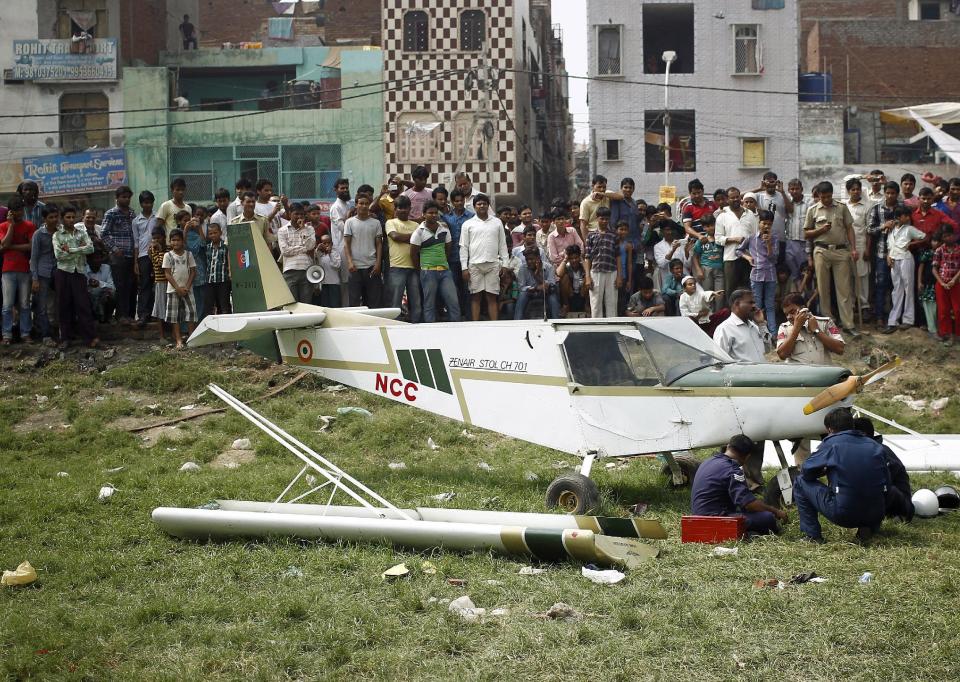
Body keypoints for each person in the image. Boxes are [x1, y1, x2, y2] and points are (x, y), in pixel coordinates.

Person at [793, 408, 891, 544]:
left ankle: (812, 536)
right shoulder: (875, 446)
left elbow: (806, 471)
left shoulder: (832, 444)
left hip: (845, 514)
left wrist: (824, 471)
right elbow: (888, 484)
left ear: (829, 430)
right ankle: (866, 530)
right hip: (877, 514)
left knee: (799, 481)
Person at [690, 434, 787, 536]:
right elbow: (749, 504)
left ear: (728, 446)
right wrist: (776, 511)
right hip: (715, 520)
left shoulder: (708, 461)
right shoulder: (732, 469)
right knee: (768, 518)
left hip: (698, 516)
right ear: (747, 456)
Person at [803, 181, 859, 336]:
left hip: (841, 252)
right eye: (823, 197)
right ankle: (829, 324)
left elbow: (849, 229)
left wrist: (853, 249)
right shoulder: (813, 210)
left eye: (829, 196)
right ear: (818, 196)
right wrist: (820, 230)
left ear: (832, 194)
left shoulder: (841, 207)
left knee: (844, 290)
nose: (826, 199)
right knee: (823, 289)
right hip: (821, 251)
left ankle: (848, 324)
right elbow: (806, 234)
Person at [52, 203, 97, 348]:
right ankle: (65, 338)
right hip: (63, 272)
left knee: (83, 305)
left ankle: (89, 338)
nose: (71, 220)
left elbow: (90, 248)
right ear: (62, 219)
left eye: (73, 217)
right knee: (64, 305)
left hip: (79, 272)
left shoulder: (81, 232)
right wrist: (79, 250)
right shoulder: (57, 235)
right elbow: (59, 255)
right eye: (68, 217)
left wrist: (71, 250)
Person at [853, 416, 914, 523]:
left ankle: (896, 517)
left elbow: (882, 482)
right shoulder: (864, 452)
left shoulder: (882, 452)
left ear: (862, 436)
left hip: (901, 505)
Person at [409, 200, 459, 323]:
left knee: (453, 303)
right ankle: (430, 331)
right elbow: (413, 254)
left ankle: (458, 331)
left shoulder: (444, 229)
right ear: (424, 214)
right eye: (430, 213)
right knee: (429, 304)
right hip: (427, 272)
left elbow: (448, 249)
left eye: (435, 213)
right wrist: (421, 270)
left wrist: (443, 263)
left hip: (445, 272)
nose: (433, 215)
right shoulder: (418, 232)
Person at [460, 194, 509, 321]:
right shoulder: (468, 224)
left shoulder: (497, 222)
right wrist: (464, 268)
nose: (482, 206)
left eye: (484, 203)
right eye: (479, 204)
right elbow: (464, 247)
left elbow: (502, 244)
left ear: (488, 205)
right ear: (474, 206)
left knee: (492, 297)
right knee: (476, 297)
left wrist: (505, 264)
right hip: (474, 265)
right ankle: (476, 327)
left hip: (493, 264)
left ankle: (495, 326)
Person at [881, 206, 927, 333]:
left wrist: (911, 244)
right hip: (894, 260)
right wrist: (888, 257)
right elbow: (890, 245)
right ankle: (893, 321)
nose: (906, 218)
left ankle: (908, 320)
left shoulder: (909, 229)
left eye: (907, 216)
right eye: (903, 216)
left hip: (906, 259)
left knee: (908, 288)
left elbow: (924, 237)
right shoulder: (890, 230)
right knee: (897, 290)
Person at [738, 209, 779, 335]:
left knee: (770, 305)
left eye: (769, 224)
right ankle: (759, 331)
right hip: (756, 275)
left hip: (770, 275)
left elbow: (774, 259)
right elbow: (738, 250)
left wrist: (768, 244)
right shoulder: (751, 238)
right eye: (764, 223)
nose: (766, 226)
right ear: (759, 222)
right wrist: (748, 257)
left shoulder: (774, 238)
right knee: (757, 304)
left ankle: (773, 333)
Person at [0, 197, 36, 345]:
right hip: (7, 270)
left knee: (24, 304)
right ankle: (7, 335)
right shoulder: (3, 226)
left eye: (20, 210)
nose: (19, 214)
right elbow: (4, 243)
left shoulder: (29, 225)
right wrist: (11, 226)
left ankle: (25, 333)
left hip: (24, 269)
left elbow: (30, 246)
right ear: (10, 213)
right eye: (15, 211)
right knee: (7, 305)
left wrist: (11, 247)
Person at [866, 181, 902, 325]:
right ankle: (880, 316)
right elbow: (869, 229)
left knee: (897, 286)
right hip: (881, 253)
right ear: (884, 193)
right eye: (888, 193)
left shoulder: (902, 209)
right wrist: (883, 226)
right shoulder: (877, 208)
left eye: (893, 193)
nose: (890, 195)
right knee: (880, 284)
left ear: (897, 194)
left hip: (899, 254)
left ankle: (895, 318)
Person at [99, 185, 136, 323]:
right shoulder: (111, 213)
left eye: (128, 197)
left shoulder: (132, 213)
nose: (126, 199)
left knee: (130, 286)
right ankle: (120, 315)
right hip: (117, 256)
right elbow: (104, 233)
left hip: (131, 255)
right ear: (117, 198)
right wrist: (114, 248)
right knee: (119, 285)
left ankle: (129, 315)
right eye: (123, 197)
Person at [776, 293, 845, 365]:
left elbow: (840, 349)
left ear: (803, 308)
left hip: (823, 373)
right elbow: (782, 355)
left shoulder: (825, 323)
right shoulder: (784, 328)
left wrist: (816, 331)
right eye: (786, 314)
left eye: (792, 312)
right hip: (799, 374)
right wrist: (796, 329)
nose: (789, 317)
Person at [385, 195, 422, 322]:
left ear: (410, 208)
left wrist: (406, 238)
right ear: (395, 209)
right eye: (400, 207)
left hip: (414, 267)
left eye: (406, 207)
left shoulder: (415, 224)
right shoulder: (390, 222)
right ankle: (395, 327)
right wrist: (413, 238)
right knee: (395, 303)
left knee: (416, 302)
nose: (403, 210)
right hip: (397, 267)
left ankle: (416, 326)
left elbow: (420, 242)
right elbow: (395, 237)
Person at [343, 195, 383, 308]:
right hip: (355, 267)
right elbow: (346, 244)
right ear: (356, 205)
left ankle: (373, 325)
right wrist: (350, 262)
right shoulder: (349, 222)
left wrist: (378, 263)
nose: (364, 206)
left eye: (366, 203)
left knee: (373, 300)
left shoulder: (376, 223)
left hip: (372, 266)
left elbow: (379, 244)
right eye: (361, 203)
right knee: (354, 300)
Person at [162, 228, 197, 350]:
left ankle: (191, 338)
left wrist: (187, 286)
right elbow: (167, 273)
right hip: (173, 290)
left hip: (187, 289)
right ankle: (178, 340)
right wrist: (177, 288)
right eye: (173, 240)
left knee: (191, 313)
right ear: (170, 241)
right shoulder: (168, 255)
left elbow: (193, 272)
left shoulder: (188, 254)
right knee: (174, 316)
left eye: (178, 240)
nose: (175, 243)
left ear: (183, 241)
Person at [714, 288, 769, 363]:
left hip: (761, 372)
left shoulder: (755, 326)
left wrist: (761, 324)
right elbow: (719, 361)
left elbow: (768, 349)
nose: (754, 306)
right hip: (741, 374)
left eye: (754, 303)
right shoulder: (724, 328)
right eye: (750, 303)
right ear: (737, 304)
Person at [442, 189, 474, 316]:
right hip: (452, 257)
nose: (459, 203)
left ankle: (469, 315)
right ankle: (456, 316)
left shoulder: (471, 216)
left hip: (468, 258)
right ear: (452, 202)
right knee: (454, 289)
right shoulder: (446, 218)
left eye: (461, 200)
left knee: (468, 289)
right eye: (457, 201)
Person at [30, 204, 59, 343]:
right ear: (44, 219)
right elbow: (34, 258)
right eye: (50, 217)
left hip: (59, 271)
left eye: (56, 217)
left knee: (59, 302)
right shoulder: (38, 234)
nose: (54, 220)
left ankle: (60, 332)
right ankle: (45, 334)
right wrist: (35, 279)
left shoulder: (61, 232)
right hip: (43, 273)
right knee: (41, 305)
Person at [277, 203, 316, 304]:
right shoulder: (282, 231)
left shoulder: (309, 229)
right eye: (296, 214)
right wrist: (303, 249)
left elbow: (310, 246)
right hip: (290, 270)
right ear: (290, 214)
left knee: (306, 304)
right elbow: (285, 251)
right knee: (291, 304)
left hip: (306, 270)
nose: (299, 217)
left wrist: (303, 230)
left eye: (302, 215)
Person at [583, 206, 618, 318]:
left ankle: (612, 327)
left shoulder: (614, 235)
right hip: (596, 272)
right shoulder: (591, 235)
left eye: (607, 219)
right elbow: (587, 257)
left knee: (611, 302)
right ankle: (597, 327)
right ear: (597, 218)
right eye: (602, 218)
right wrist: (587, 276)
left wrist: (619, 276)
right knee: (596, 302)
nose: (604, 221)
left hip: (611, 271)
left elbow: (618, 256)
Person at [715, 188, 752, 293]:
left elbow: (755, 235)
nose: (736, 199)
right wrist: (734, 239)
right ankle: (732, 309)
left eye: (737, 197)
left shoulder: (749, 214)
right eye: (732, 197)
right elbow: (718, 239)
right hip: (730, 257)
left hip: (748, 257)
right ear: (727, 199)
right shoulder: (722, 216)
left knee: (747, 288)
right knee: (731, 289)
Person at [845, 178, 872, 320]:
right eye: (853, 189)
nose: (856, 191)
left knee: (862, 276)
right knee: (848, 277)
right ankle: (851, 306)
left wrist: (868, 249)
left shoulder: (866, 206)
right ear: (848, 191)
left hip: (861, 245)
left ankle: (864, 305)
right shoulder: (844, 206)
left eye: (857, 189)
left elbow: (868, 230)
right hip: (846, 246)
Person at [132, 191, 159, 327]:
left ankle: (155, 313)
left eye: (149, 202)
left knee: (157, 283)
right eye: (145, 202)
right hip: (143, 255)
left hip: (157, 253)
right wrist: (135, 261)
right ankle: (143, 314)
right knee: (144, 284)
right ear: (141, 204)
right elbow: (136, 242)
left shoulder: (157, 217)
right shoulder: (136, 221)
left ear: (153, 202)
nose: (147, 205)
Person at [514, 247, 560, 320]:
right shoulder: (523, 268)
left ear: (538, 258)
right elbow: (521, 287)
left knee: (553, 298)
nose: (529, 262)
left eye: (531, 259)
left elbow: (550, 285)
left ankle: (556, 320)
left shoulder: (549, 267)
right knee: (522, 295)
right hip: (530, 293)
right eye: (527, 259)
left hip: (546, 293)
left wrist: (537, 275)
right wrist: (535, 288)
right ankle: (517, 321)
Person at [933, 224, 960, 344]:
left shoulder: (959, 250)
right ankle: (946, 334)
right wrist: (941, 282)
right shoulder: (939, 250)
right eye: (945, 236)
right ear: (942, 238)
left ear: (954, 235)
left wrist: (954, 279)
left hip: (956, 284)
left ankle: (957, 334)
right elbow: (934, 269)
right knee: (943, 311)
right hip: (941, 284)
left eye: (949, 235)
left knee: (957, 310)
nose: (947, 238)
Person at [692, 213, 724, 311]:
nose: (710, 228)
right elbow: (695, 256)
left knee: (720, 295)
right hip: (706, 269)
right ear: (704, 228)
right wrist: (698, 270)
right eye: (707, 226)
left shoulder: (721, 239)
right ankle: (710, 318)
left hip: (720, 270)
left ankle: (719, 316)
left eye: (712, 225)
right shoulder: (702, 240)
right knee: (708, 295)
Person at [916, 231, 940, 338]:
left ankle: (936, 328)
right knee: (928, 306)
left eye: (938, 241)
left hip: (938, 284)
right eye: (934, 241)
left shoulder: (942, 253)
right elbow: (920, 268)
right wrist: (919, 282)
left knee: (937, 307)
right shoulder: (927, 253)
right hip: (927, 284)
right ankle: (932, 329)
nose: (936, 243)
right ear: (930, 242)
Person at [148, 227, 169, 341]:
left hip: (171, 282)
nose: (156, 240)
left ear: (164, 238)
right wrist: (159, 250)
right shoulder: (153, 250)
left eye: (158, 238)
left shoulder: (169, 248)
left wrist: (162, 250)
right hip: (160, 282)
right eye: (154, 238)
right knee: (160, 308)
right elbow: (162, 264)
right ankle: (161, 336)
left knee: (172, 307)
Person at [204, 222, 230, 315]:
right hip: (210, 281)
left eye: (215, 233)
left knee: (224, 305)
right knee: (209, 306)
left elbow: (228, 261)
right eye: (210, 233)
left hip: (223, 280)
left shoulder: (225, 246)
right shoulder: (207, 248)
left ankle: (226, 326)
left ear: (220, 232)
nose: (213, 235)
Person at [557, 244, 589, 317]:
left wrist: (581, 258)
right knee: (564, 278)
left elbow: (588, 272)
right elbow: (558, 273)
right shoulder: (567, 266)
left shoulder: (583, 266)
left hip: (582, 293)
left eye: (576, 258)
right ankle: (566, 305)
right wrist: (565, 259)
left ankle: (587, 305)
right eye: (571, 258)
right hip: (571, 294)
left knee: (587, 277)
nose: (574, 260)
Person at [85, 251, 115, 324]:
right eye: (95, 258)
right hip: (90, 298)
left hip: (102, 297)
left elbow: (112, 286)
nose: (98, 260)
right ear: (89, 261)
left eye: (99, 258)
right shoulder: (84, 270)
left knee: (111, 293)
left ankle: (108, 317)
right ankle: (91, 318)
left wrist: (99, 283)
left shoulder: (106, 268)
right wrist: (89, 284)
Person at [315, 234, 342, 308]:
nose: (326, 245)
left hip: (334, 283)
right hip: (323, 284)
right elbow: (315, 264)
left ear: (332, 243)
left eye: (328, 243)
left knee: (335, 305)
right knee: (325, 306)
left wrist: (330, 253)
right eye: (324, 243)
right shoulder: (319, 254)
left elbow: (337, 265)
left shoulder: (335, 253)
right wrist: (317, 249)